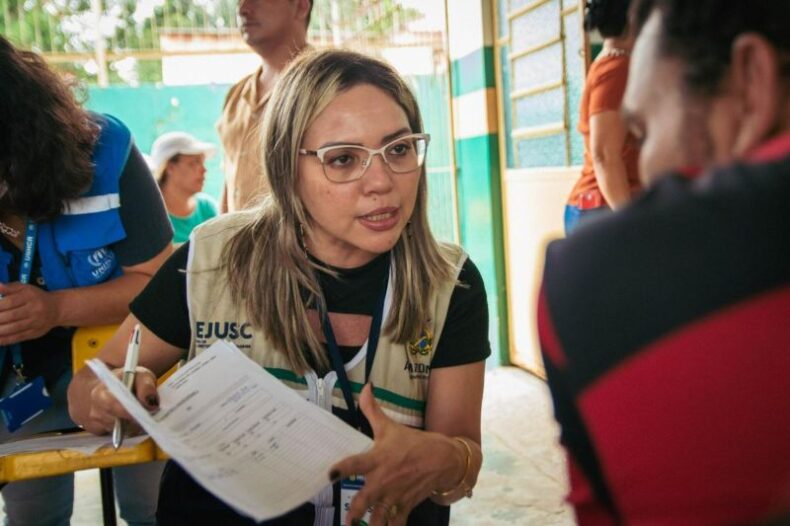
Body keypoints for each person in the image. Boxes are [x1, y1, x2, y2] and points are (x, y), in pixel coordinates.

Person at [68, 49, 489, 526]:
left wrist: (446, 459)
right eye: (344, 159)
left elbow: (461, 464)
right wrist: (109, 399)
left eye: (399, 149)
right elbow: (87, 387)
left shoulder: (449, 284)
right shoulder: (210, 263)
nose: (382, 182)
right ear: (287, 167)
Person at [538, 0, 790, 523]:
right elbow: (608, 158)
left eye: (646, 130)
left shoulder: (586, 281)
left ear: (753, 82)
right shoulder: (613, 69)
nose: (648, 158)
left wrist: (629, 238)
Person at [0, 37, 173, 525]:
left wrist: (55, 310)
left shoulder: (103, 150)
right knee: (32, 513)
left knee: (153, 506)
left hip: (127, 366)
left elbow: (160, 289)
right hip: (21, 392)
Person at [217, 0, 312, 212]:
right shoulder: (237, 95)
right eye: (240, 1)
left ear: (301, 6)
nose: (243, 9)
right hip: (242, 242)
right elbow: (231, 181)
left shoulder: (325, 87)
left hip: (298, 244)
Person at [564, 0, 641, 234]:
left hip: (602, 209)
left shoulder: (614, 63)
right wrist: (632, 223)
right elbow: (604, 155)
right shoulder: (617, 69)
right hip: (602, 210)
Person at [150, 131, 219, 244]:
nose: (204, 170)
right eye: (194, 163)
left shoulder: (207, 208)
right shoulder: (150, 215)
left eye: (203, 162)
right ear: (170, 167)